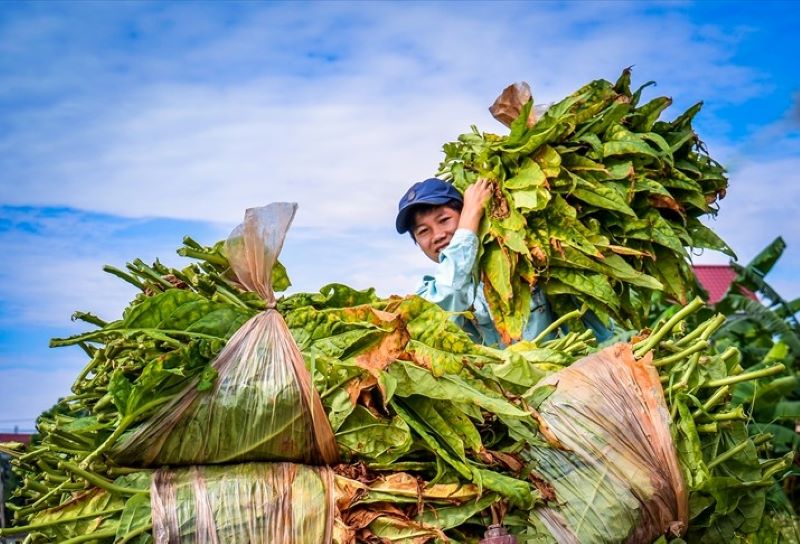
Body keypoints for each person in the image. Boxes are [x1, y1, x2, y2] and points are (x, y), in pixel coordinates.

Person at [395, 177, 612, 346]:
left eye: (444, 220)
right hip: (501, 400)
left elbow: (599, 330)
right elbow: (450, 295)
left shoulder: (527, 263)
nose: (437, 235)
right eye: (423, 231)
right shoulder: (428, 294)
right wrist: (469, 218)